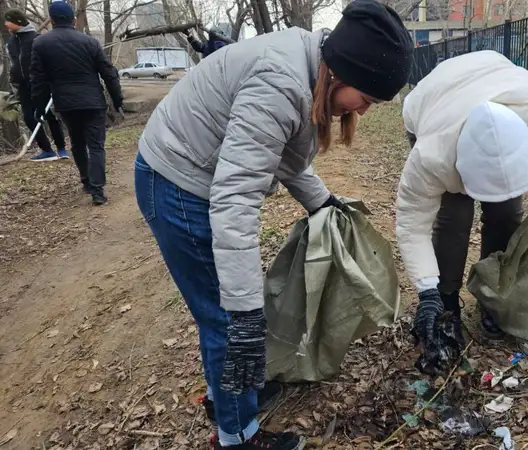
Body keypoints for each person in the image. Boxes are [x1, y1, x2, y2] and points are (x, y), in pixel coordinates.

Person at [134, 0, 412, 448]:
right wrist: (244, 314)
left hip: (199, 173)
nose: (365, 110)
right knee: (226, 314)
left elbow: (279, 150)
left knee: (228, 313)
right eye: (367, 98)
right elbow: (236, 196)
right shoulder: (279, 83)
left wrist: (321, 202)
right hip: (178, 181)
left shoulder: (308, 68)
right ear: (340, 74)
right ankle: (236, 436)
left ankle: (229, 391)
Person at [397, 50, 528, 375]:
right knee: (452, 215)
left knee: (507, 212)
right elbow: (414, 225)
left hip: (494, 79)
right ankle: (447, 300)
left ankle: (493, 292)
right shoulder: (432, 156)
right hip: (434, 105)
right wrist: (427, 291)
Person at [30, 0, 124, 205]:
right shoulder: (89, 42)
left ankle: (87, 182)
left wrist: (39, 107)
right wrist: (118, 99)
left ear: (52, 21)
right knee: (97, 146)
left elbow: (38, 80)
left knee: (78, 144)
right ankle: (98, 192)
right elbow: (108, 73)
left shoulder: (41, 44)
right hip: (93, 103)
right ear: (73, 19)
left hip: (66, 105)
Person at [3, 8, 67, 162]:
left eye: (8, 21)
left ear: (18, 22)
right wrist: (14, 80)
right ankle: (47, 150)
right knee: (29, 117)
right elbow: (13, 63)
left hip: (41, 84)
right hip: (23, 86)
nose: (6, 24)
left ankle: (61, 149)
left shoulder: (36, 38)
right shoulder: (11, 42)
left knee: (49, 115)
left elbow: (49, 62)